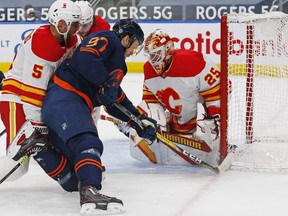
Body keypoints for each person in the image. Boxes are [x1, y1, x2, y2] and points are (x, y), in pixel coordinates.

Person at [41, 19, 157, 215]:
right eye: (134, 47)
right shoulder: (109, 38)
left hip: (60, 106)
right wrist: (105, 83)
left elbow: (114, 99)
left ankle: (40, 148)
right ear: (127, 39)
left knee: (74, 178)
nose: (132, 53)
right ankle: (90, 192)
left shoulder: (113, 62)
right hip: (66, 98)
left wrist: (138, 121)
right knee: (87, 142)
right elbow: (87, 57)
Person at [0, 0, 82, 190]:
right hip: (16, 99)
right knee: (18, 164)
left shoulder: (71, 40)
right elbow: (32, 92)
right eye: (74, 23)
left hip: (38, 100)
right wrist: (36, 126)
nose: (78, 28)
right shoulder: (42, 44)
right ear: (60, 24)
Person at [128, 29, 223, 167]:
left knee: (206, 131)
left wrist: (214, 117)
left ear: (168, 50)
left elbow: (216, 90)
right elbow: (150, 100)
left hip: (201, 117)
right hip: (177, 119)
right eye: (150, 55)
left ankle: (212, 133)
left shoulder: (193, 62)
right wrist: (142, 121)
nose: (153, 60)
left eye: (156, 54)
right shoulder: (148, 69)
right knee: (145, 113)